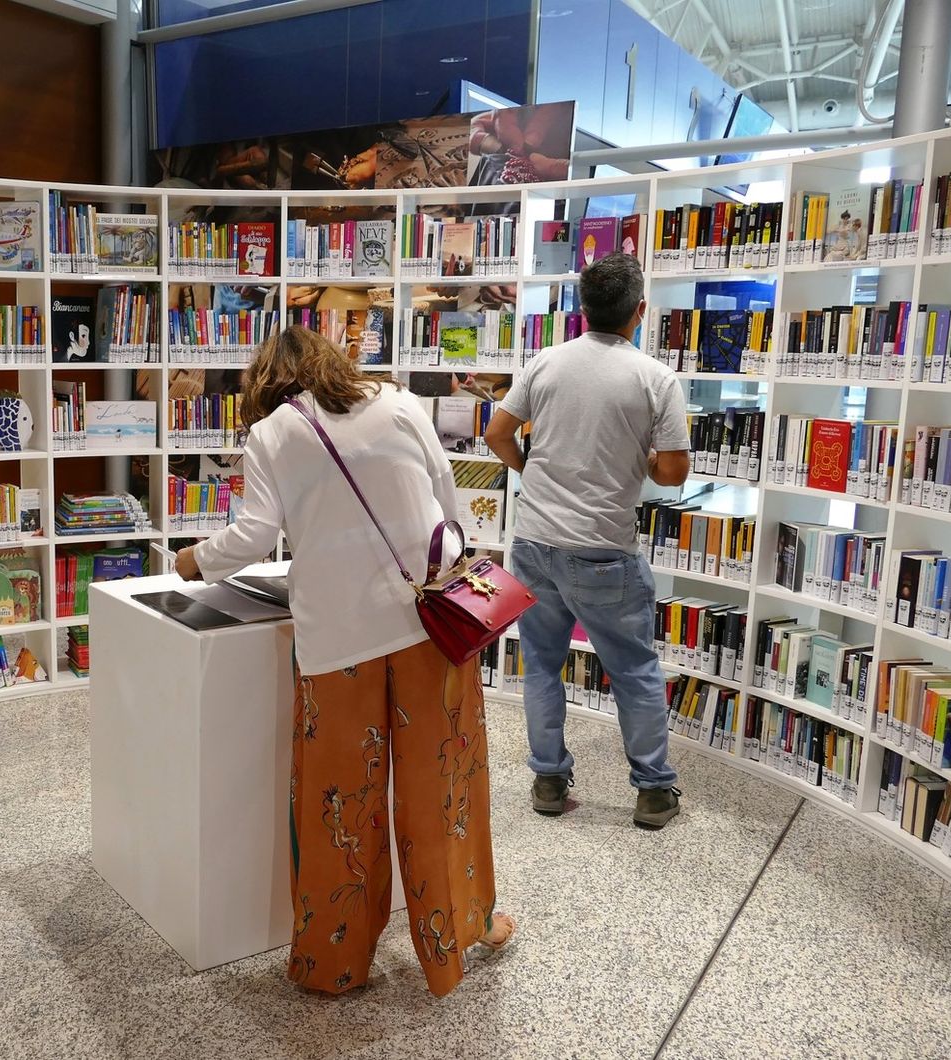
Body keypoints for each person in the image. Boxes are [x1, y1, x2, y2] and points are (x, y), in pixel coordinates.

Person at [173, 326, 514, 998]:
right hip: (430, 629)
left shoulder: (273, 433)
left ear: (266, 382)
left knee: (339, 805)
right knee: (440, 788)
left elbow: (254, 536)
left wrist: (194, 559)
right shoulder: (398, 403)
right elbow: (448, 505)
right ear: (333, 363)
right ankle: (462, 933)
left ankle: (335, 962)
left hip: (338, 645)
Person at [482, 253, 690, 829]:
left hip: (534, 541)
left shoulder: (545, 362)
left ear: (582, 310)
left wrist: (531, 470)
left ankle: (548, 778)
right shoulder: (654, 378)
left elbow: (498, 432)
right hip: (603, 550)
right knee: (634, 670)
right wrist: (643, 458)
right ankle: (652, 790)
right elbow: (672, 473)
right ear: (640, 311)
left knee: (541, 665)